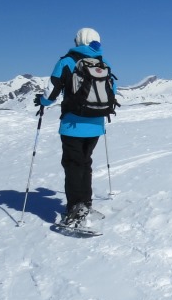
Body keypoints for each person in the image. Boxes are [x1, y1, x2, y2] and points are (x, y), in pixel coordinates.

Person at [34, 27, 115, 226]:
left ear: (79, 40)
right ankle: (85, 202)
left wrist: (42, 103)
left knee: (73, 165)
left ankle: (74, 207)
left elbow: (52, 90)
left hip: (72, 125)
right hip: (96, 124)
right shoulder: (103, 63)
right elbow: (113, 90)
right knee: (85, 163)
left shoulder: (67, 61)